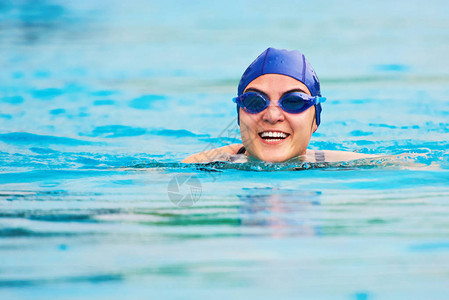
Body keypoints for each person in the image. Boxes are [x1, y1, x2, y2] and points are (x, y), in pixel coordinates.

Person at [183, 47, 375, 164]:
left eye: (294, 102)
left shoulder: (345, 164)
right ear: (240, 116)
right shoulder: (205, 165)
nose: (272, 116)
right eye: (255, 101)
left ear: (315, 121)